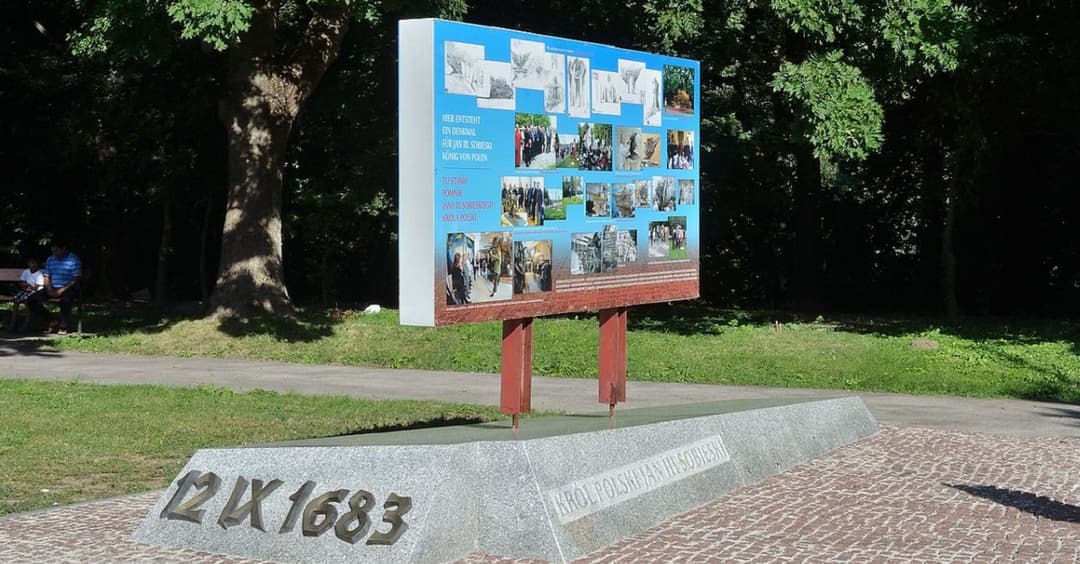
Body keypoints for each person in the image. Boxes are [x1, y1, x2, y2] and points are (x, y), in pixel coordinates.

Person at [29, 241, 81, 334]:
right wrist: (49, 288)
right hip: (52, 287)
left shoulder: (74, 259)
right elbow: (46, 276)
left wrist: (61, 290)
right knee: (31, 300)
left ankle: (63, 326)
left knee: (65, 301)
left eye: (57, 251)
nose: (55, 254)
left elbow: (75, 278)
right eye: (53, 251)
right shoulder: (50, 259)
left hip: (69, 287)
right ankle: (51, 321)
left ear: (64, 249)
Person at [9, 256, 45, 331]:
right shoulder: (26, 271)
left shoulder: (39, 274)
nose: (32, 265)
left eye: (33, 263)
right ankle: (13, 322)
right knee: (16, 299)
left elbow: (36, 288)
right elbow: (21, 282)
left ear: (37, 264)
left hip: (35, 291)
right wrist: (24, 286)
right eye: (30, 263)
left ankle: (26, 323)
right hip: (26, 290)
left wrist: (28, 285)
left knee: (27, 300)